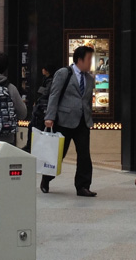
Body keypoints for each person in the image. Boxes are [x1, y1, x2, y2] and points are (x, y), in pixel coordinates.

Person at [41, 46, 96, 197]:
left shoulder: (89, 78)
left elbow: (87, 102)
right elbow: (54, 95)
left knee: (84, 155)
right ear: (79, 60)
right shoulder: (64, 73)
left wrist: (89, 118)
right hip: (64, 121)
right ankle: (46, 179)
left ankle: (83, 186)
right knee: (59, 154)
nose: (91, 62)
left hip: (83, 122)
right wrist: (49, 117)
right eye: (89, 59)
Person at [24, 64, 55, 153]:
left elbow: (45, 93)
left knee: (35, 127)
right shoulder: (46, 80)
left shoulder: (49, 81)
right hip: (41, 107)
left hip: (42, 109)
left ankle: (31, 146)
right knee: (33, 126)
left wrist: (38, 101)